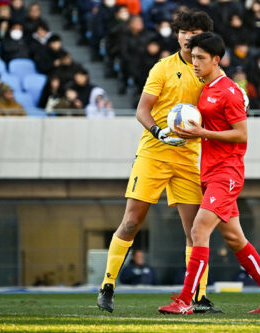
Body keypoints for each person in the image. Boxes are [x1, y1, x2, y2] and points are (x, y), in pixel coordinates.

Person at [96, 10, 220, 314]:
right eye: (184, 31)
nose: (188, 36)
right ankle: (107, 286)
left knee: (195, 231)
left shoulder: (211, 73)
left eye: (195, 31)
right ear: (176, 35)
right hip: (154, 153)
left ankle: (197, 296)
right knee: (131, 221)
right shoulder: (162, 68)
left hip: (189, 157)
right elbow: (142, 110)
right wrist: (158, 131)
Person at [158, 32, 260, 315]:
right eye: (193, 58)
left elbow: (242, 134)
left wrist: (202, 132)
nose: (195, 63)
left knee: (198, 230)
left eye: (201, 58)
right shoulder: (206, 88)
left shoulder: (228, 91)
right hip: (211, 172)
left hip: (226, 173)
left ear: (217, 60)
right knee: (235, 239)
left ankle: (185, 300)